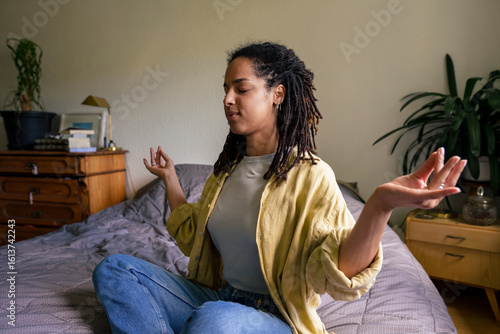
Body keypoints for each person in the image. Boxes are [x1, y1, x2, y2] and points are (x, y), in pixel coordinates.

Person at [93, 42, 467, 334]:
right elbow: (193, 238)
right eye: (225, 89)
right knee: (114, 270)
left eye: (240, 88)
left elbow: (339, 272)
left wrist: (380, 205)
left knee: (215, 321)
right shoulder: (225, 171)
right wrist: (172, 179)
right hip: (217, 296)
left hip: (276, 316)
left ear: (278, 94)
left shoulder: (311, 175)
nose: (227, 99)